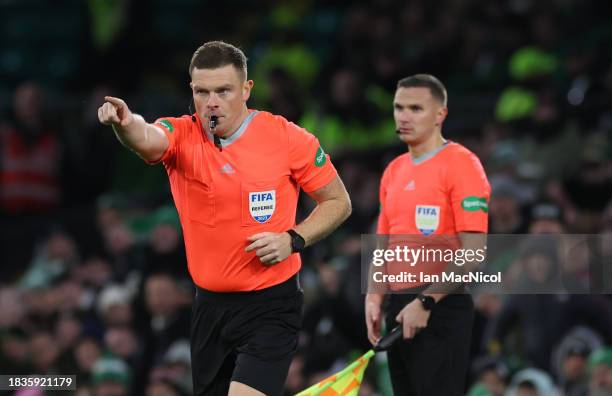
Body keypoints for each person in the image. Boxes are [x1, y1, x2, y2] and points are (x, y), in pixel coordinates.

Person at [98, 41, 351, 396]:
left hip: (271, 305)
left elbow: (338, 201)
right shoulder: (182, 136)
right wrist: (124, 124)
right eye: (202, 91)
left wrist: (293, 238)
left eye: (223, 90)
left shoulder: (288, 138)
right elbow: (146, 136)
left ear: (247, 89)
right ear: (192, 90)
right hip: (209, 309)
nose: (211, 101)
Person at [365, 74, 490, 395]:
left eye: (416, 108)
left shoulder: (462, 164)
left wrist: (426, 301)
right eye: (398, 107)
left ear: (440, 115)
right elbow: (383, 245)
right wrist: (375, 294)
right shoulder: (394, 170)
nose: (404, 117)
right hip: (399, 307)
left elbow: (474, 250)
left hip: (441, 306)